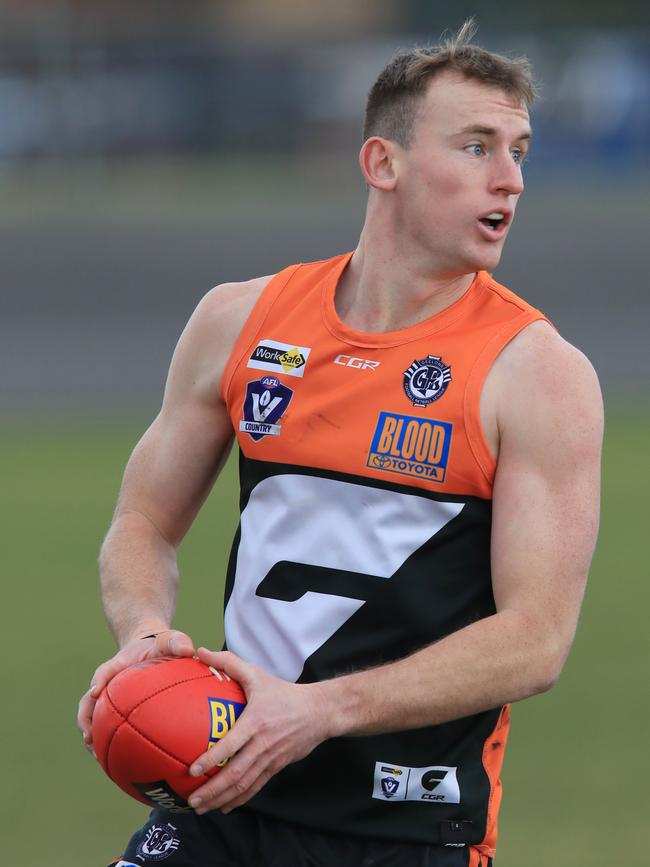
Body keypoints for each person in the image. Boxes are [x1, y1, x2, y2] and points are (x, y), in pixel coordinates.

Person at [78, 20, 603, 867]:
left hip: (404, 830)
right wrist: (143, 633)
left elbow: (536, 639)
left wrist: (320, 708)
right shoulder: (240, 319)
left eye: (519, 150)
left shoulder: (538, 374)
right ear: (382, 164)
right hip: (221, 795)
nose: (509, 178)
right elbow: (143, 519)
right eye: (476, 146)